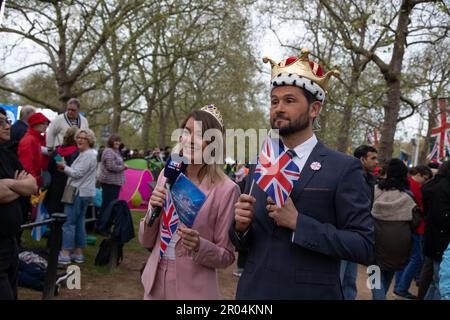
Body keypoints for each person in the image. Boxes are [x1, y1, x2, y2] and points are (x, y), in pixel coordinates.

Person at [230, 48, 374, 299]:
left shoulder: (343, 168)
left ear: (314, 109)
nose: (278, 108)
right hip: (254, 294)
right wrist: (241, 227)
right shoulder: (261, 164)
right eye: (274, 101)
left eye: (289, 100)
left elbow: (363, 246)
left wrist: (299, 224)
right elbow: (245, 243)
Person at [139, 105, 240, 299]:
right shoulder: (166, 175)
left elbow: (226, 256)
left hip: (194, 291)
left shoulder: (227, 190)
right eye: (187, 132)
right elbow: (145, 240)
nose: (190, 140)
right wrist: (153, 211)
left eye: (200, 134)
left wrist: (199, 245)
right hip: (153, 284)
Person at [0, 107, 38, 300]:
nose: (8, 126)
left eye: (7, 121)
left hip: (11, 242)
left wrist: (10, 185)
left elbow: (32, 185)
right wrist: (19, 186)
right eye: (1, 122)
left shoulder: (8, 155)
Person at [371, 159, 419, 300]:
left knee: (374, 274)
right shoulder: (408, 196)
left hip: (377, 238)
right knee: (389, 273)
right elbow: (415, 222)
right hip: (400, 241)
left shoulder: (375, 191)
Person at [339, 145, 378, 299]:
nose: (377, 162)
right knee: (339, 278)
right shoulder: (347, 177)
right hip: (343, 233)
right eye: (373, 158)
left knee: (349, 279)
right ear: (362, 159)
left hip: (358, 234)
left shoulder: (370, 180)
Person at [57, 129, 97, 265]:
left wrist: (63, 167)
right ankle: (78, 253)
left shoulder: (88, 155)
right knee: (79, 223)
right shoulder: (88, 154)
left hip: (77, 192)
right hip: (83, 192)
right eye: (78, 137)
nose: (79, 140)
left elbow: (77, 174)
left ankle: (65, 253)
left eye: (83, 138)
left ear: (89, 140)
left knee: (69, 223)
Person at [394, 165, 432, 299]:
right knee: (416, 259)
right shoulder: (415, 187)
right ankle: (401, 287)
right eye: (425, 178)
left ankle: (399, 286)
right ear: (420, 174)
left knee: (406, 258)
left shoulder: (407, 184)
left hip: (406, 225)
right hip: (417, 226)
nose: (425, 181)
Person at [422, 160, 450, 300]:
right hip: (441, 241)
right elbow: (442, 216)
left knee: (436, 281)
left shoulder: (437, 185)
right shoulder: (443, 188)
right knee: (441, 284)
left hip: (436, 239)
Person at [44, 126, 80, 215]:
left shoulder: (58, 151)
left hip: (54, 184)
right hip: (69, 185)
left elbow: (50, 166)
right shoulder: (77, 152)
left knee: (53, 209)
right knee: (65, 211)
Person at [98, 134, 127, 223]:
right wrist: (123, 167)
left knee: (111, 205)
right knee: (107, 205)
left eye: (118, 141)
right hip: (109, 183)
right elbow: (110, 166)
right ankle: (102, 225)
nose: (117, 142)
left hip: (115, 183)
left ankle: (106, 224)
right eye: (115, 140)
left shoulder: (116, 151)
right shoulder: (109, 151)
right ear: (111, 141)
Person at [17, 112, 50, 189]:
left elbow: (55, 152)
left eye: (47, 124)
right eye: (43, 124)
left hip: (39, 176)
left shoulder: (37, 138)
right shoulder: (30, 140)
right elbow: (26, 165)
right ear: (35, 124)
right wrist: (34, 182)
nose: (46, 126)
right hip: (32, 180)